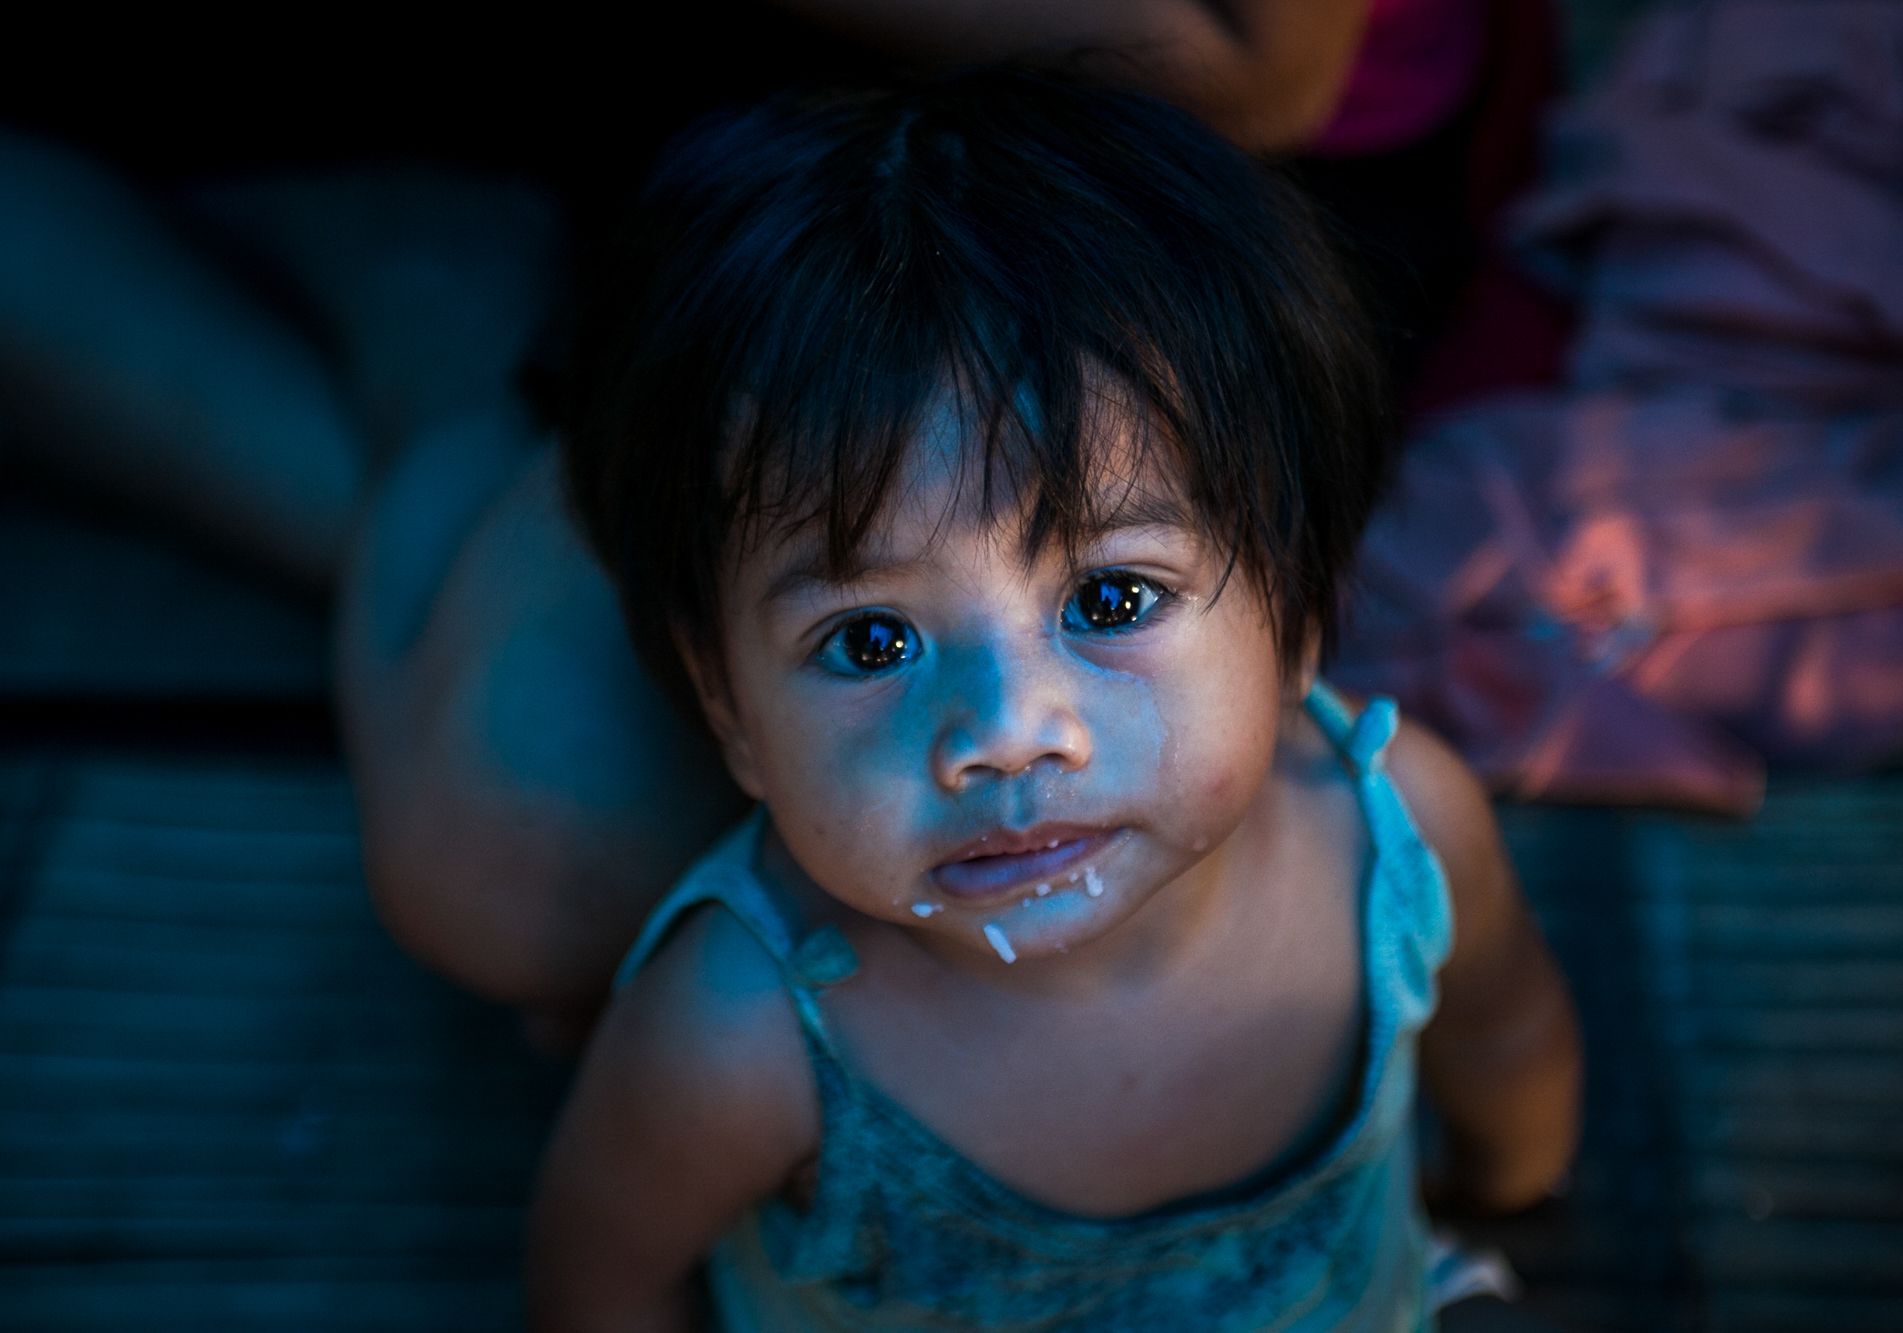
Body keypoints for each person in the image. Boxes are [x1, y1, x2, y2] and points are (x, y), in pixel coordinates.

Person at [525, 69, 1580, 1331]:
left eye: (1113, 603)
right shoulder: (741, 1040)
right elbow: (600, 1287)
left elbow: (1505, 1042)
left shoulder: (1394, 844)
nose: (1006, 732)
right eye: (868, 639)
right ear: (730, 709)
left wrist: (1508, 1188)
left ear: (1299, 619)